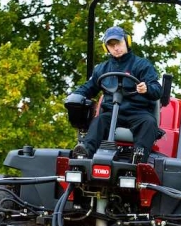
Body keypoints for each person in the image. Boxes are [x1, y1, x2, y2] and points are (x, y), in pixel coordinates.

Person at [70, 26, 163, 162]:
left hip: (137, 112)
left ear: (127, 41)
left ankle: (138, 157)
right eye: (111, 45)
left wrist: (147, 88)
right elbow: (88, 88)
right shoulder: (102, 69)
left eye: (118, 43)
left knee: (148, 123)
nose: (116, 48)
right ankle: (84, 154)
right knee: (98, 121)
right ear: (106, 48)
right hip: (112, 112)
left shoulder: (142, 65)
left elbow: (157, 89)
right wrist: (74, 96)